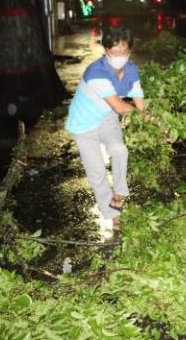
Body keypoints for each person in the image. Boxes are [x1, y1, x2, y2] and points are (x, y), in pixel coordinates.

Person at [65, 26, 145, 231]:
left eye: (123, 51)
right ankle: (112, 215)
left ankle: (119, 194)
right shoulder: (96, 72)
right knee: (97, 174)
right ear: (106, 50)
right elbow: (119, 106)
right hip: (83, 124)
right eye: (113, 51)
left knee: (119, 149)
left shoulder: (132, 69)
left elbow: (138, 100)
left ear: (130, 50)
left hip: (106, 117)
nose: (118, 56)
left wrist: (149, 119)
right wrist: (145, 116)